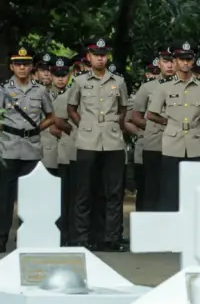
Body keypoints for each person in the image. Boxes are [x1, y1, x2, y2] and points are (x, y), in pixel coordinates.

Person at [66, 37, 129, 252]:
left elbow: (123, 109)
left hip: (112, 141)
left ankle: (111, 237)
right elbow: (71, 108)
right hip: (87, 140)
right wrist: (83, 124)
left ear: (107, 56)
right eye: (96, 55)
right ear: (89, 57)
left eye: (103, 55)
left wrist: (113, 125)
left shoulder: (118, 82)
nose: (100, 58)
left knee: (113, 191)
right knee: (84, 190)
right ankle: (82, 237)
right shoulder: (80, 81)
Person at [147, 39, 200, 212]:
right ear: (175, 61)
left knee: (194, 189)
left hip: (194, 141)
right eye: (181, 59)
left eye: (189, 59)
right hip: (172, 142)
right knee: (170, 190)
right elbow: (151, 113)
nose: (185, 63)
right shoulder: (164, 88)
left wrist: (197, 120)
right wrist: (168, 122)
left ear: (193, 60)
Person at [0, 45, 57, 253]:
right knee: (4, 199)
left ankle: (28, 239)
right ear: (12, 66)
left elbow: (51, 117)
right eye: (18, 64)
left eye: (25, 64)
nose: (22, 68)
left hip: (32, 149)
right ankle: (1, 239)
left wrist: (35, 129)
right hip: (8, 149)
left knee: (31, 198)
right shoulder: (4, 90)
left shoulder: (40, 90)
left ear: (32, 67)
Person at [132, 46, 175, 211]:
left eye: (172, 61)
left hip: (179, 144)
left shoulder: (188, 86)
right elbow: (136, 116)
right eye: (166, 61)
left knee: (173, 188)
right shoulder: (147, 88)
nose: (170, 65)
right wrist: (153, 126)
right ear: (159, 63)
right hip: (154, 143)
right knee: (151, 188)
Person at [50, 56, 76, 244]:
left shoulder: (75, 93)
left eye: (64, 75)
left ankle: (68, 234)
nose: (60, 79)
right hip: (48, 152)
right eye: (56, 75)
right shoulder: (41, 92)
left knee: (69, 196)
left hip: (69, 152)